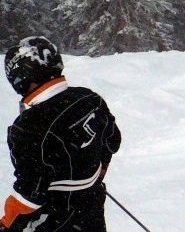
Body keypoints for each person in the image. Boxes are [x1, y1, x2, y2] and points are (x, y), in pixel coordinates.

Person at [1, 37, 121, 231]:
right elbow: (112, 140)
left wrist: (7, 224)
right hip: (91, 207)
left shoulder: (26, 127)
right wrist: (94, 174)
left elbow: (30, 192)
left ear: (19, 75)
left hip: (56, 217)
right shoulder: (89, 97)